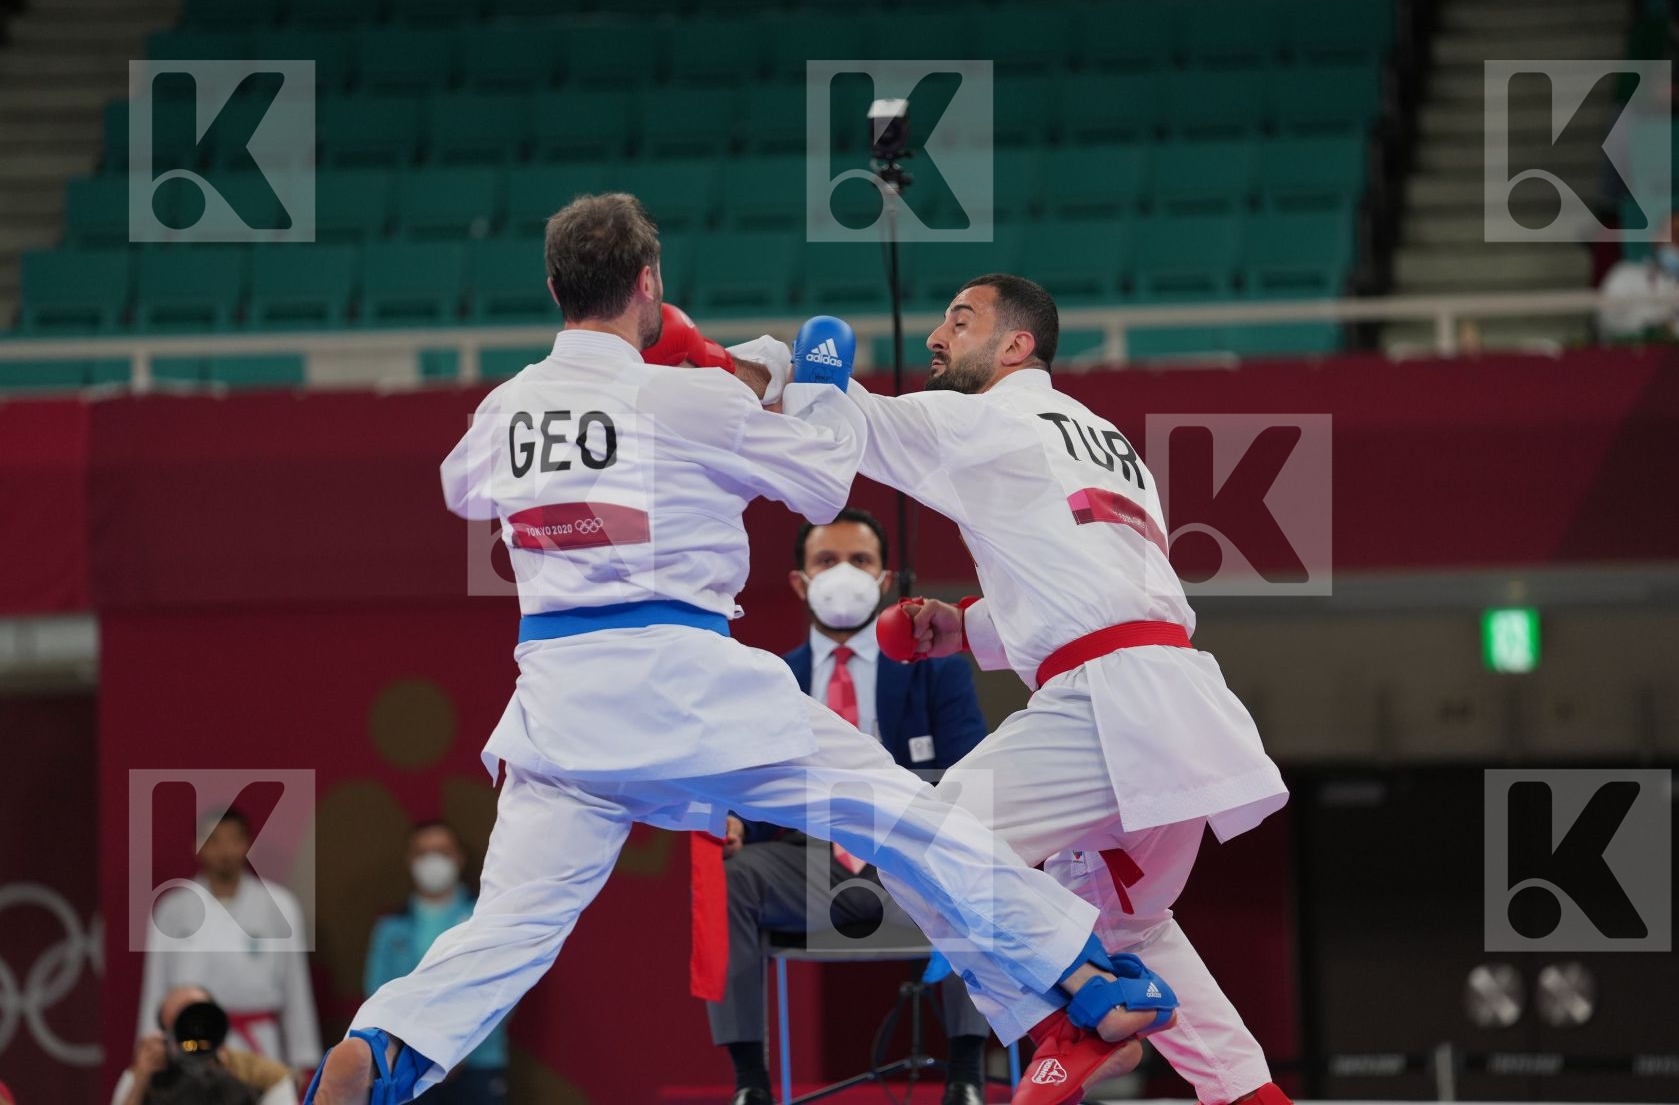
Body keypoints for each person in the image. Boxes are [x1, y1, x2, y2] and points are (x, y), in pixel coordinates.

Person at [301, 194, 1178, 1105]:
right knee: (902, 816)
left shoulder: (508, 407)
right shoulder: (685, 397)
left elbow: (462, 492)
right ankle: (1091, 980)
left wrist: (727, 376)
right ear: (649, 282)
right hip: (689, 683)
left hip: (557, 704)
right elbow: (819, 483)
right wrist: (821, 381)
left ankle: (387, 1046)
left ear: (556, 287)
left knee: (515, 920)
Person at [843, 274, 1294, 1105]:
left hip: (1106, 703)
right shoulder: (1105, 437)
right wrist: (967, 627)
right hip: (1179, 698)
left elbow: (846, 427)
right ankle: (1251, 1096)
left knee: (918, 845)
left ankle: (1073, 1013)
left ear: (1016, 346)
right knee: (1134, 926)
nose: (936, 339)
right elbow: (1092, 579)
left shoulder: (985, 417)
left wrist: (781, 370)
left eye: (960, 322)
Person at [707, 508, 992, 1105]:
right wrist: (733, 823)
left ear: (886, 580)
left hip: (913, 859)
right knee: (728, 876)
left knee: (978, 859)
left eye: (859, 561)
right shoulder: (772, 679)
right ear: (799, 581)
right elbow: (756, 795)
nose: (844, 574)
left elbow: (968, 776)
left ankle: (966, 1073)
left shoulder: (937, 672)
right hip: (804, 865)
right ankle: (749, 1084)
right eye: (826, 561)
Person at [137, 809, 321, 1071]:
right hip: (191, 1043)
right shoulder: (172, 910)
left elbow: (296, 987)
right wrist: (150, 1048)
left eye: (234, 840)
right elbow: (155, 989)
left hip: (259, 1046)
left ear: (248, 846)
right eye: (214, 841)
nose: (225, 851)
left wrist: (303, 1058)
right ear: (197, 847)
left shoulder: (279, 905)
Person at [363, 824, 507, 1103]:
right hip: (409, 1065)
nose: (433, 861)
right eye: (423, 853)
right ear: (410, 861)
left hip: (478, 1060)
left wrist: (458, 1051)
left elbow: (502, 990)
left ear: (459, 857)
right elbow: (378, 998)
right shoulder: (392, 927)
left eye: (442, 852)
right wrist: (414, 1051)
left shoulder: (485, 921)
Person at [115, 987, 298, 1105]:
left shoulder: (263, 1075)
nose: (195, 1032)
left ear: (218, 1022)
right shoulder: (147, 1075)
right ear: (165, 1034)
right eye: (182, 1025)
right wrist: (141, 1080)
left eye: (202, 1021)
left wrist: (228, 1076)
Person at [1598, 209, 1679, 343]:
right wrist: (1651, 327)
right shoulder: (1623, 275)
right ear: (1657, 237)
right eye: (1677, 235)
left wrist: (1673, 327)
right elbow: (1608, 322)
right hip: (1633, 353)